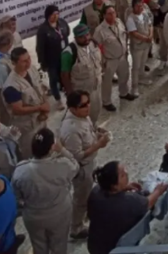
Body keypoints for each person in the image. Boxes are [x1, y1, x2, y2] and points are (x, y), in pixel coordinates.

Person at [12, 128, 79, 254]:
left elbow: (16, 196)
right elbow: (75, 166)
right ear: (52, 147)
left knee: (38, 245)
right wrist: (62, 150)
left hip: (33, 215)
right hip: (59, 212)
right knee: (59, 243)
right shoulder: (62, 165)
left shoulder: (21, 170)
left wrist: (24, 209)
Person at [60, 90, 111, 239]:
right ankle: (76, 227)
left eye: (88, 102)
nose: (88, 107)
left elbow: (89, 132)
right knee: (81, 199)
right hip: (81, 169)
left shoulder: (82, 116)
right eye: (83, 105)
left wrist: (97, 133)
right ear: (73, 108)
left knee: (88, 194)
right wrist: (99, 144)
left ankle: (88, 213)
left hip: (90, 163)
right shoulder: (71, 129)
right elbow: (77, 156)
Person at [87, 161, 168, 254]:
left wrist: (123, 187)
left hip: (94, 246)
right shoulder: (130, 201)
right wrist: (158, 191)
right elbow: (149, 202)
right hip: (116, 249)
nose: (127, 174)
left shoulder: (95, 192)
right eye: (122, 175)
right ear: (114, 185)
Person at [2, 47, 48, 160]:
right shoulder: (11, 86)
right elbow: (17, 109)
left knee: (45, 147)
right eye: (24, 61)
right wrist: (39, 108)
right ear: (14, 63)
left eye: (29, 58)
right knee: (31, 153)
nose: (28, 63)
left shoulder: (31, 70)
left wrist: (45, 104)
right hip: (27, 127)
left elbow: (40, 88)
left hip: (40, 120)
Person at [94, 6, 136, 112]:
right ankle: (106, 101)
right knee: (107, 82)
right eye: (109, 13)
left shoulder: (119, 22)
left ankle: (123, 93)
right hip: (109, 60)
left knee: (124, 76)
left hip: (122, 57)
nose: (112, 15)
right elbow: (95, 47)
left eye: (114, 12)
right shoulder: (100, 30)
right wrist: (101, 61)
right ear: (104, 15)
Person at [61, 24, 104, 124]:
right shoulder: (69, 52)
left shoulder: (93, 43)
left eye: (87, 35)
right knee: (82, 116)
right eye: (82, 37)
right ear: (75, 38)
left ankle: (93, 127)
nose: (86, 38)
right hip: (81, 90)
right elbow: (64, 75)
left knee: (96, 109)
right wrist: (70, 94)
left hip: (96, 87)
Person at [36, 5, 71, 110]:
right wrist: (42, 62)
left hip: (64, 56)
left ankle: (68, 93)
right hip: (51, 59)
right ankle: (58, 99)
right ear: (47, 15)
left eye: (57, 14)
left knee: (65, 76)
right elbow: (40, 47)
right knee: (53, 79)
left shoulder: (62, 23)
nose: (55, 16)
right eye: (53, 14)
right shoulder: (43, 30)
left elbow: (67, 33)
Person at [126, 0, 154, 97]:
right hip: (137, 46)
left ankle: (141, 79)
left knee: (143, 63)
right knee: (136, 67)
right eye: (138, 6)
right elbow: (133, 33)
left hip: (146, 44)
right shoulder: (130, 18)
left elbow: (150, 25)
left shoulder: (145, 14)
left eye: (141, 6)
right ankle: (134, 87)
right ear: (133, 7)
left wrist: (150, 35)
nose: (140, 8)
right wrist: (145, 38)